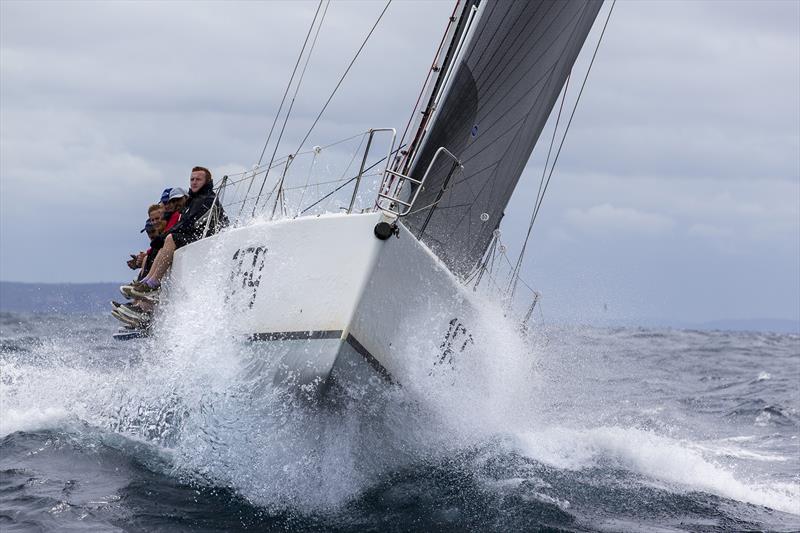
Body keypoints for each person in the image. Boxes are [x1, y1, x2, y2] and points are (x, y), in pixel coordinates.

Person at [123, 166, 224, 298]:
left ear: (207, 181)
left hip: (208, 239)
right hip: (196, 237)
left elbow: (190, 223)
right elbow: (184, 224)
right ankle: (147, 281)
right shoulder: (193, 201)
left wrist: (164, 237)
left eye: (198, 179)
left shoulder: (209, 199)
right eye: (192, 179)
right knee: (165, 242)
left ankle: (153, 283)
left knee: (170, 238)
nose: (194, 182)